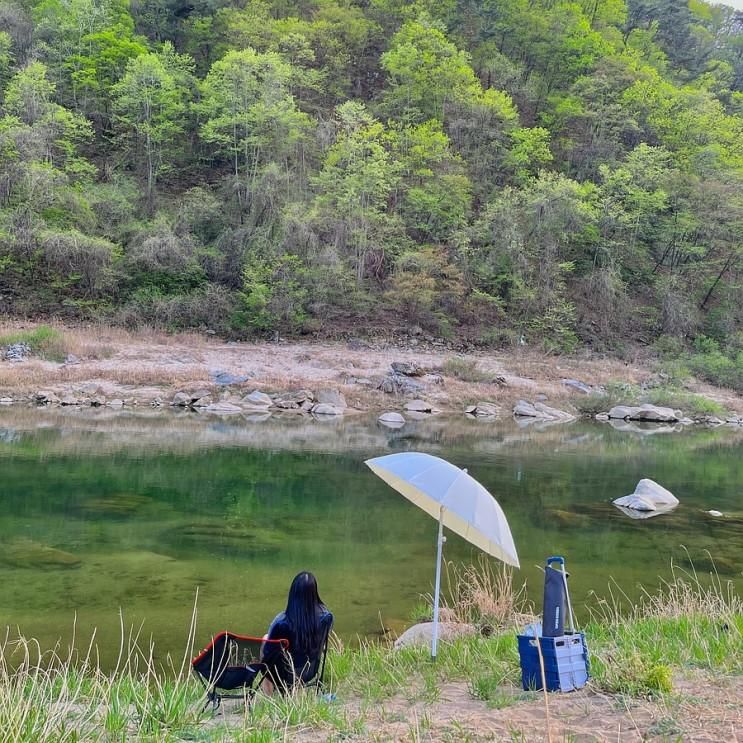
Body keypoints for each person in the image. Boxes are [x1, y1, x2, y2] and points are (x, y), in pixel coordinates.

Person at [260, 571, 333, 693]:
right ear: (315, 593)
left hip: (283, 674)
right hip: (309, 672)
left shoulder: (281, 621)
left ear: (292, 593)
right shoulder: (326, 617)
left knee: (266, 639)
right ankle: (297, 689)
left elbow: (269, 651)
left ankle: (268, 696)